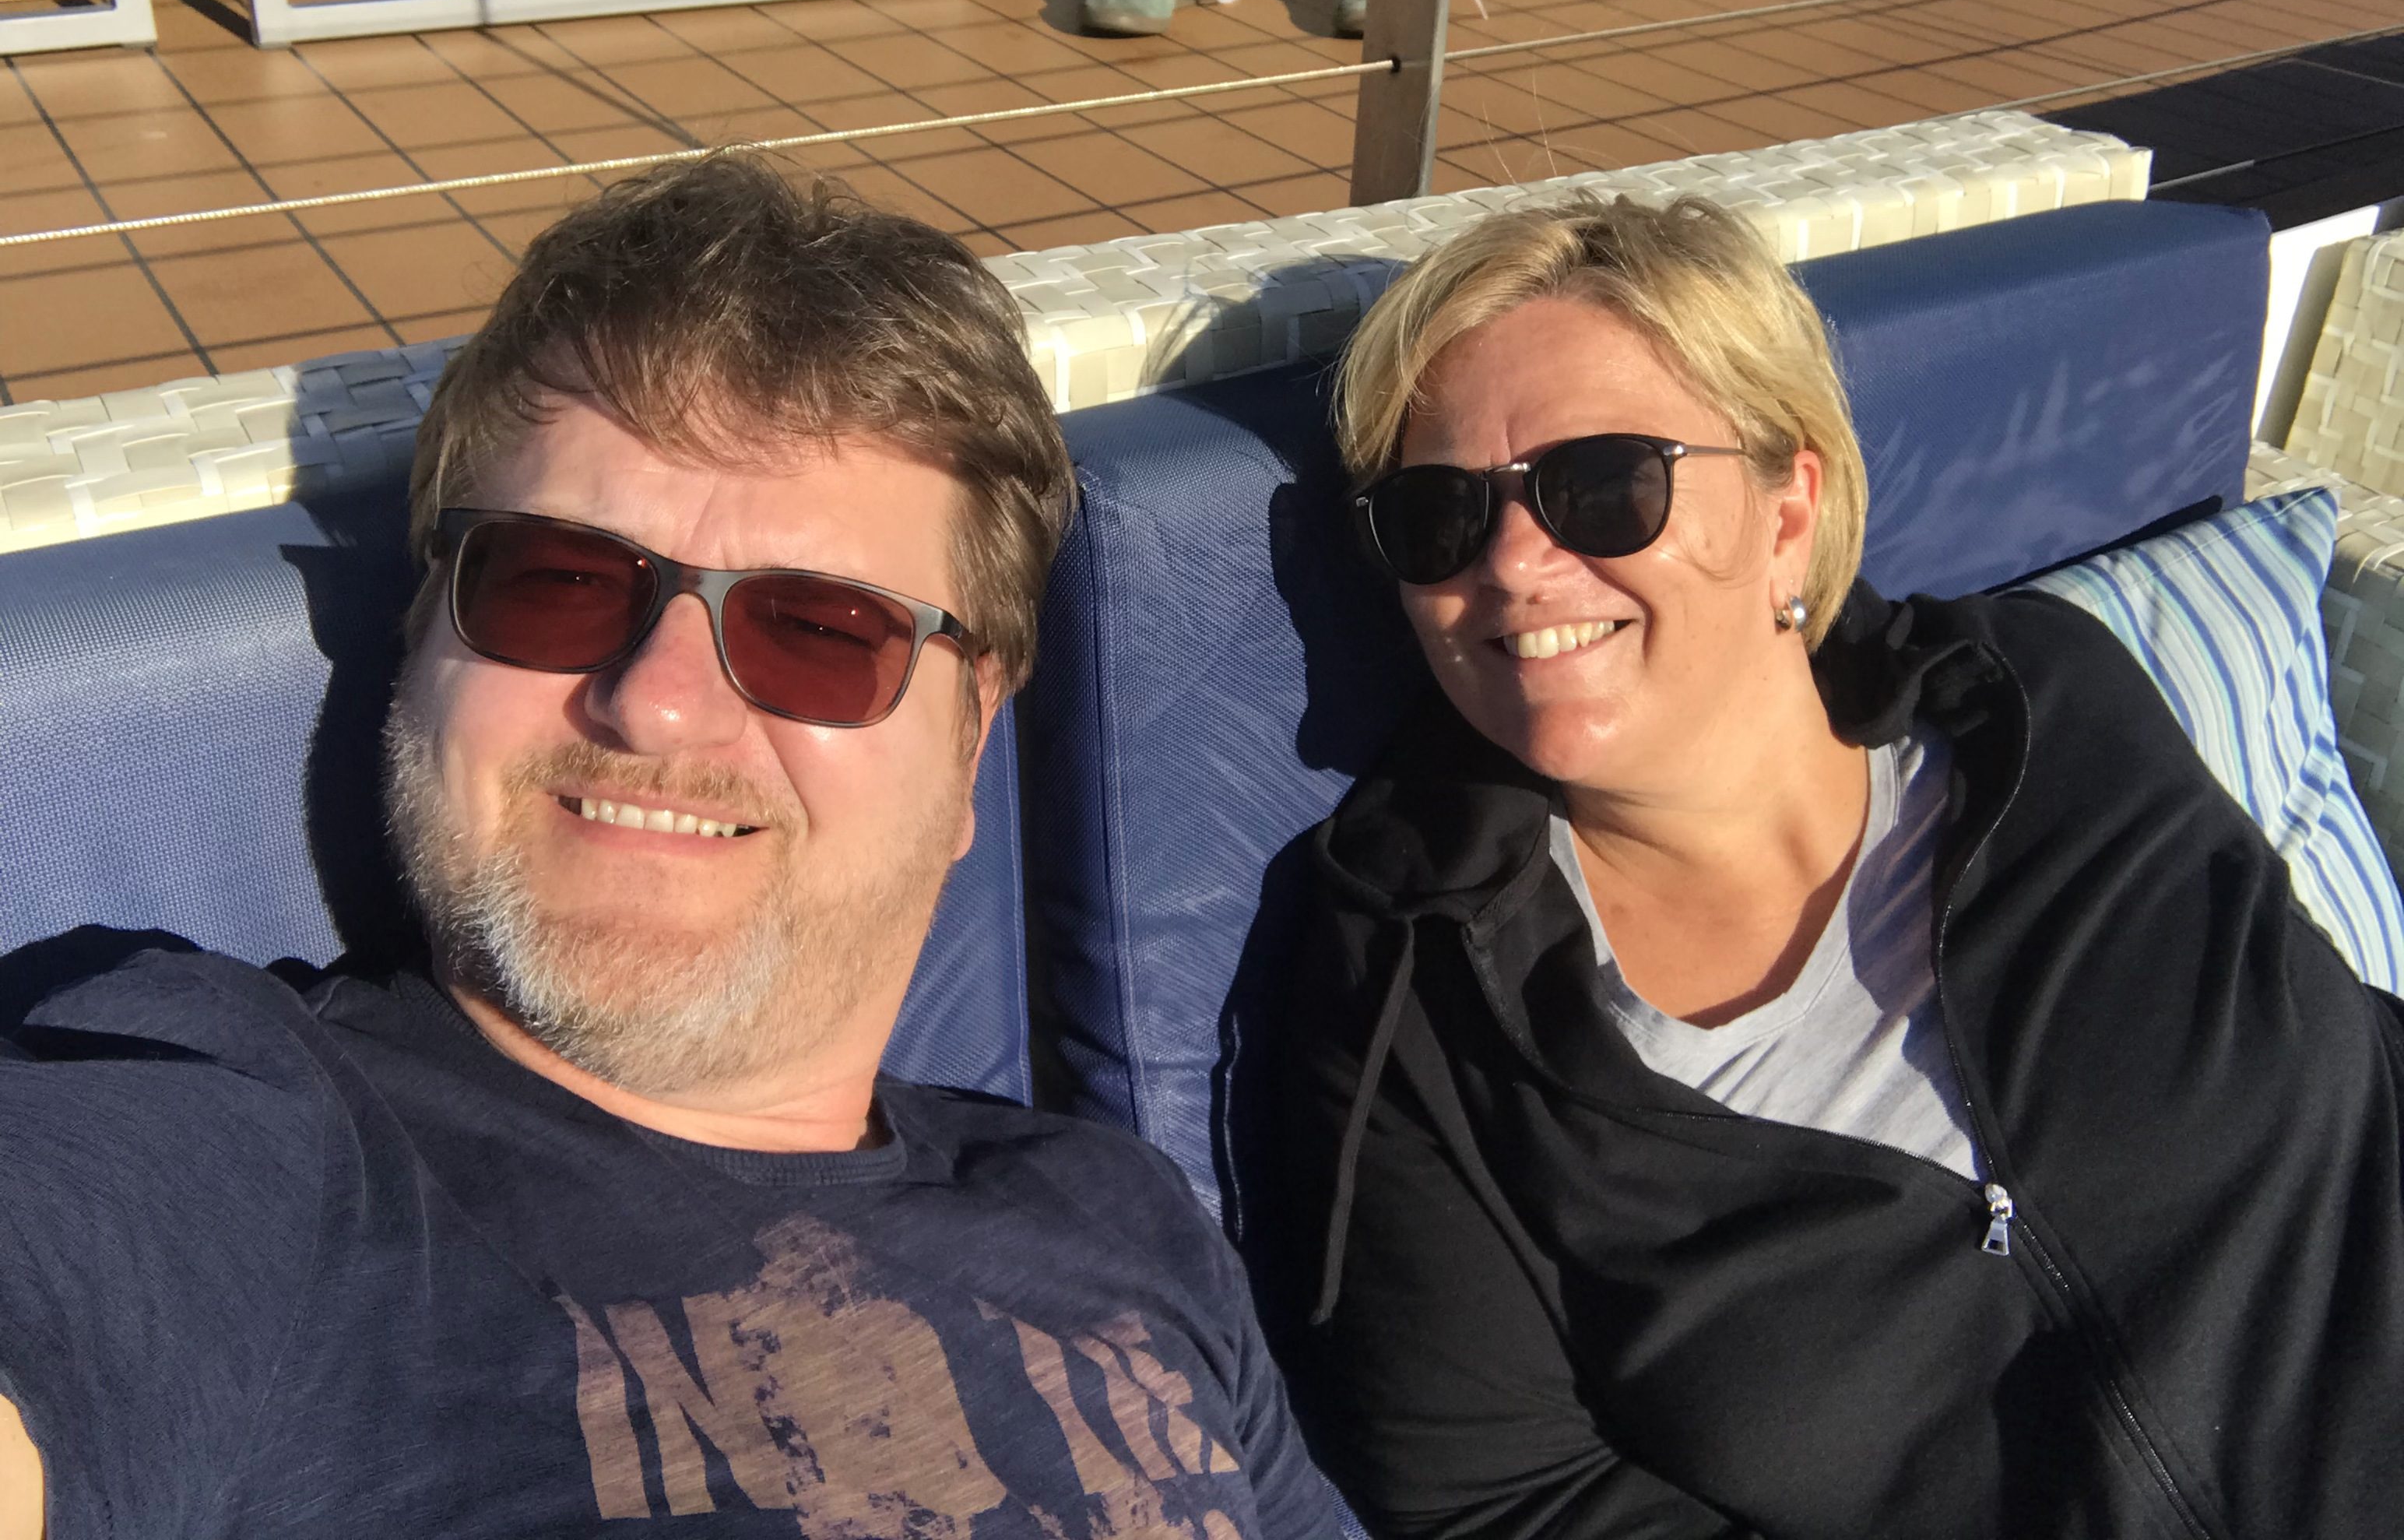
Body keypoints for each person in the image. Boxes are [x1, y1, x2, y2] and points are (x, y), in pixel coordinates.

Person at [0, 155, 1334, 1540]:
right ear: (420, 640)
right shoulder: (248, 1137)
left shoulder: (1123, 1219)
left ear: (967, 746)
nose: (658, 704)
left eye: (818, 629)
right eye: (560, 582)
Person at [1274, 192, 2404, 1538]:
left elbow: (2345, 1063)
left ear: (1788, 514)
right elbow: (1508, 1502)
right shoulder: (1414, 1000)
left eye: (1604, 486)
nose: (1514, 563)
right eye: (1438, 516)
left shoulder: (2038, 710)